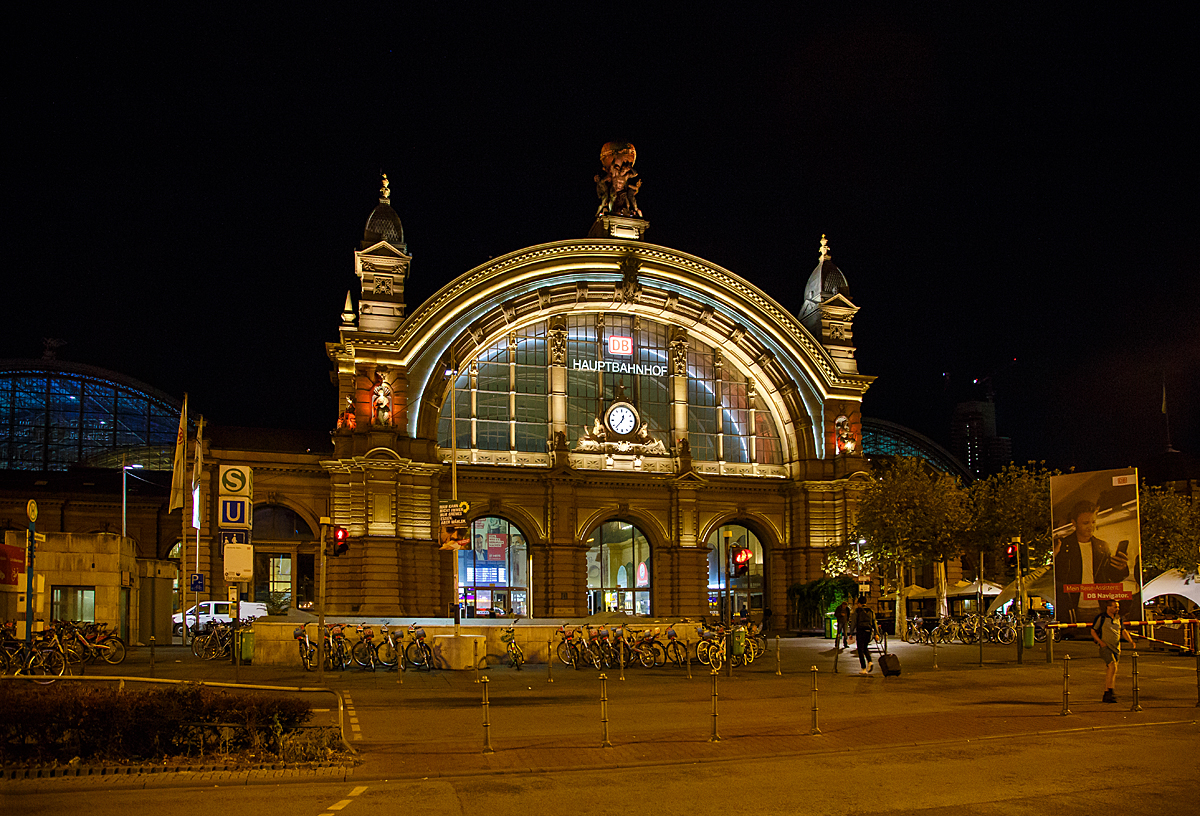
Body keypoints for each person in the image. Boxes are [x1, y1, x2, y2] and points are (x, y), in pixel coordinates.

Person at [1053, 500, 1130, 624]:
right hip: (1073, 607)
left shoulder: (1102, 546)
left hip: (1101, 605)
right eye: (1085, 523)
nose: (1091, 526)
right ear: (1074, 523)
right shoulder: (1063, 546)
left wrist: (1121, 568)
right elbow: (1057, 577)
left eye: (1093, 522)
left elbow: (1110, 578)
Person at [1091, 598, 1136, 703]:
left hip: (1116, 648)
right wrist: (1100, 642)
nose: (1117, 609)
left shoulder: (1119, 618)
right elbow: (1093, 630)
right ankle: (1110, 691)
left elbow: (1123, 630)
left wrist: (1130, 641)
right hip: (1105, 646)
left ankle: (1108, 691)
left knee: (1112, 671)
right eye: (1115, 607)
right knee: (1112, 665)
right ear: (1109, 607)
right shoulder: (1101, 618)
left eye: (1118, 607)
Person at [852, 596, 877, 675]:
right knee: (865, 647)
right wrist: (876, 633)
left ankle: (863, 668)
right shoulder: (871, 611)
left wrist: (851, 633)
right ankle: (869, 661)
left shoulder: (857, 611)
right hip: (868, 631)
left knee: (860, 650)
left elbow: (854, 622)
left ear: (859, 603)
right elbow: (874, 622)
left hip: (860, 631)